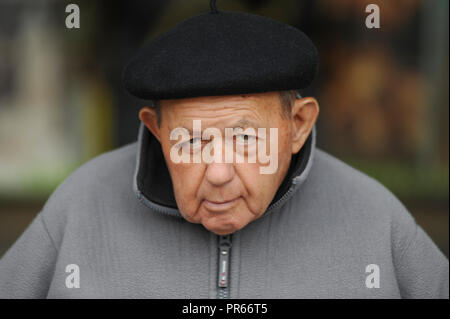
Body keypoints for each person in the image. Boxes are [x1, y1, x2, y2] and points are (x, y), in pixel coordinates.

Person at [0, 4, 448, 299]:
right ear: (156, 131)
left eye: (247, 139)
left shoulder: (373, 218)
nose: (217, 172)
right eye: (190, 141)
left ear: (298, 125)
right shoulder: (80, 204)